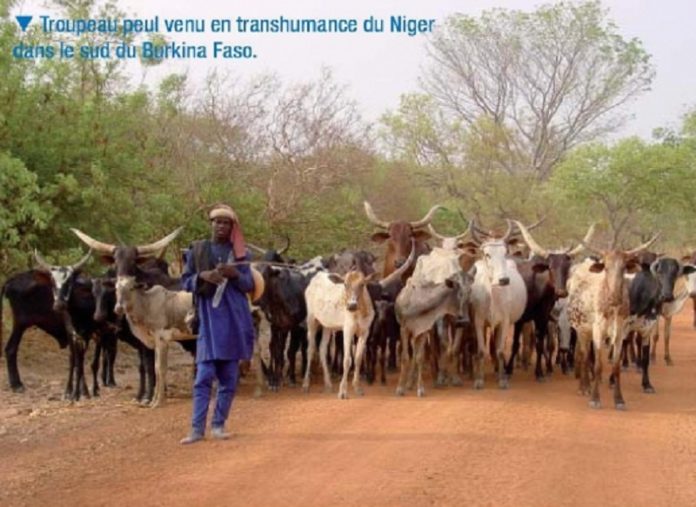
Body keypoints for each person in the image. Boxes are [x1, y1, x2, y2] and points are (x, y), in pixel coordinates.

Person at [179, 204, 256, 444]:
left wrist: (235, 275)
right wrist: (202, 276)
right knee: (203, 377)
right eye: (217, 222)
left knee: (229, 378)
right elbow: (185, 282)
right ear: (211, 224)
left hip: (234, 320)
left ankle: (219, 425)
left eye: (226, 223)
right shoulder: (198, 250)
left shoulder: (241, 255)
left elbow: (249, 286)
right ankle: (196, 429)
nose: (221, 226)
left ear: (232, 227)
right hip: (209, 321)